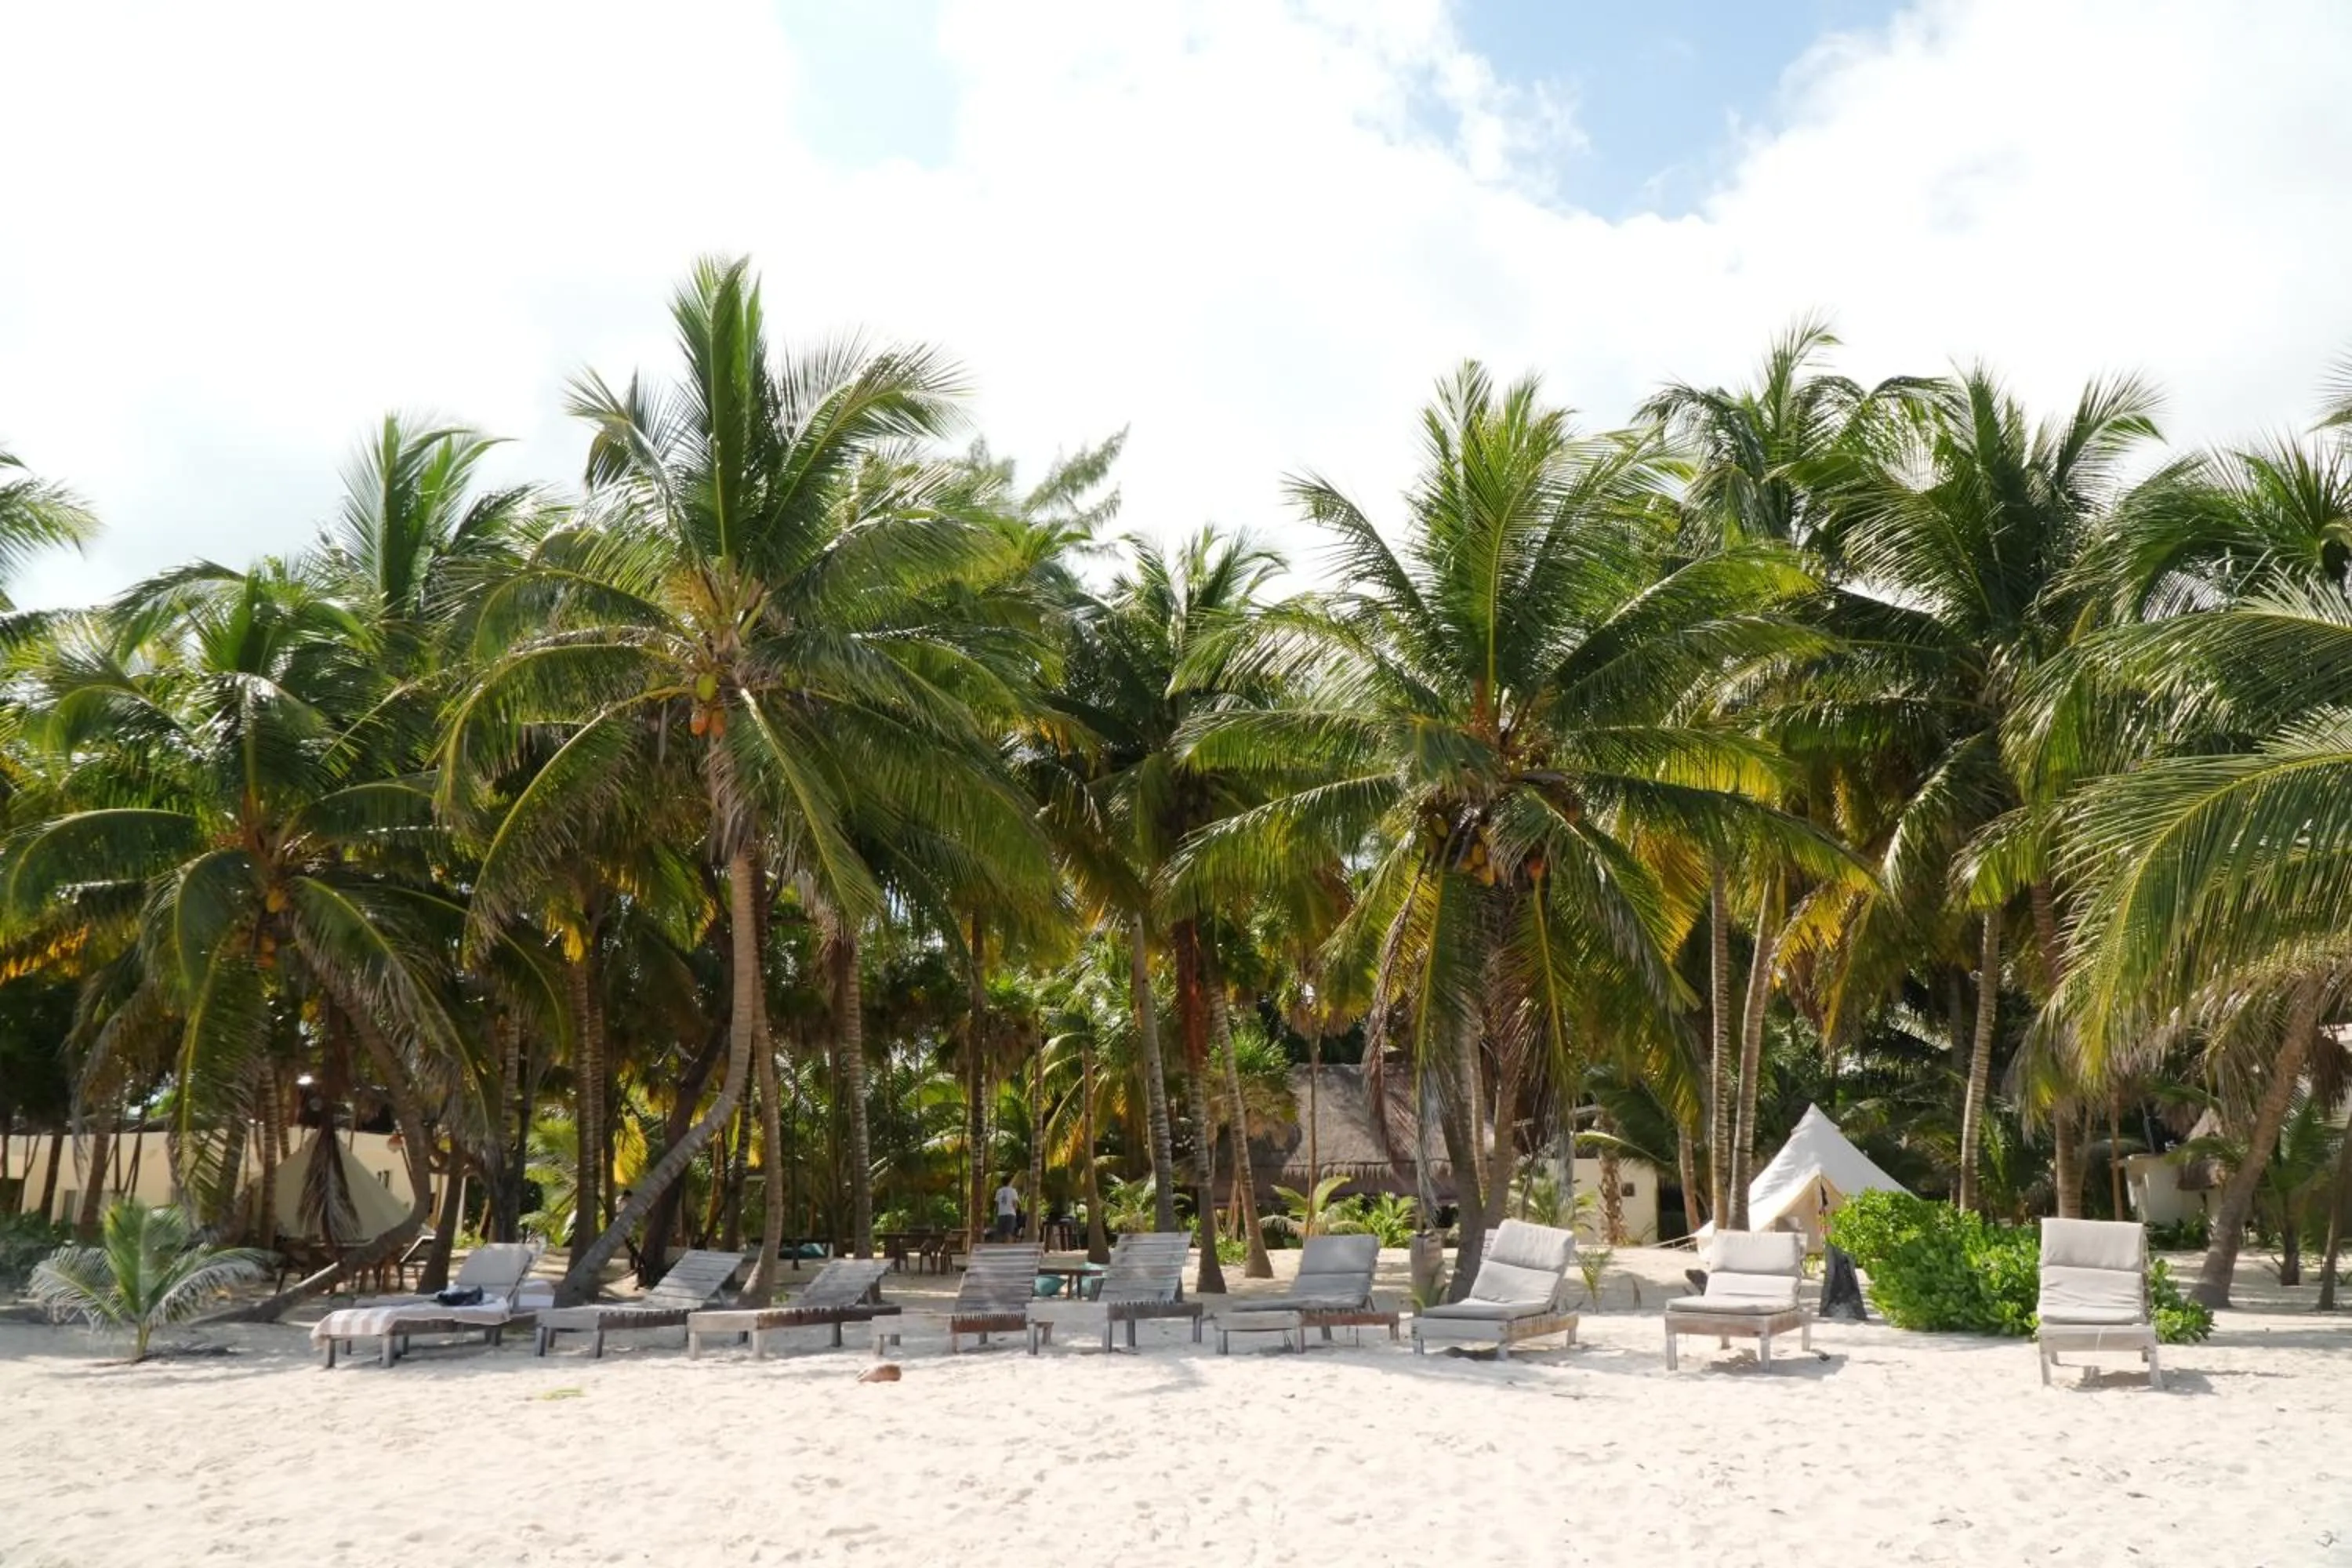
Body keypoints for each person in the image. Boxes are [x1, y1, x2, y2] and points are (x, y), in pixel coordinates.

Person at [992, 1177, 1021, 1241]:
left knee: (1001, 1234)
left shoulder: (999, 1191)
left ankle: (1001, 1249)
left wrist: (996, 1214)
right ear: (1010, 1182)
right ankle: (1008, 1248)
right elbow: (1015, 1204)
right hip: (1010, 1214)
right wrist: (1016, 1212)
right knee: (1009, 1233)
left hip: (1001, 1214)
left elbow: (997, 1205)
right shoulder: (1013, 1191)